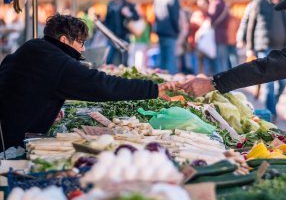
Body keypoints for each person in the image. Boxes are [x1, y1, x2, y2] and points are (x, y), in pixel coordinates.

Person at [0, 13, 177, 149]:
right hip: (10, 139)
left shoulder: (33, 46)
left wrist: (45, 108)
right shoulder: (57, 61)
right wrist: (151, 89)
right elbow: (102, 86)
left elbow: (23, 85)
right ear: (64, 40)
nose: (83, 49)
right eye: (81, 42)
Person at [179, 0, 286, 107]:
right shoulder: (259, 4)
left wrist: (213, 83)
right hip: (264, 46)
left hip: (280, 46)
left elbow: (266, 68)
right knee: (269, 87)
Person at [244, 0, 286, 120]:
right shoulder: (259, 3)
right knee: (269, 84)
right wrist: (249, 47)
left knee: (284, 82)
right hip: (264, 48)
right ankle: (271, 115)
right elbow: (250, 26)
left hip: (283, 49)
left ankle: (272, 107)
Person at [104, 0, 139, 66]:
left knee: (124, 59)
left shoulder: (127, 4)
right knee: (109, 59)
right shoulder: (110, 4)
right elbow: (107, 20)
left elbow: (136, 17)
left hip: (124, 36)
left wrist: (128, 14)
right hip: (112, 36)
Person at [154, 0, 182, 75]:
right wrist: (177, 30)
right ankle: (171, 83)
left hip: (160, 31)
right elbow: (175, 17)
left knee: (162, 58)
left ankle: (160, 80)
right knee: (170, 59)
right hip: (170, 32)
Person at [208, 0, 231, 73]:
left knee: (218, 59)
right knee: (223, 59)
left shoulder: (215, 4)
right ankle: (225, 79)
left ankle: (219, 80)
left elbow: (211, 18)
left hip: (216, 34)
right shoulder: (225, 4)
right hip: (224, 34)